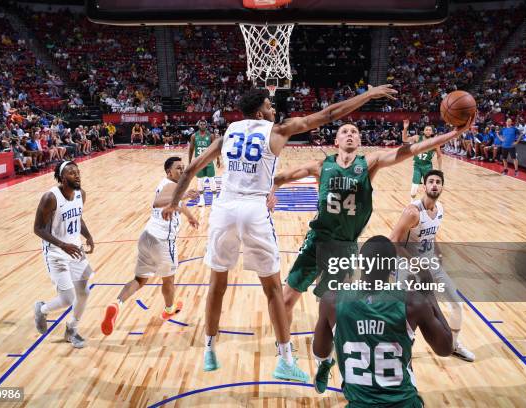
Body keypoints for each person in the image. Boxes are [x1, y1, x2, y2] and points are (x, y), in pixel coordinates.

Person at [162, 85, 399, 382]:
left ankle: (209, 350)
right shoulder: (277, 131)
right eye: (270, 106)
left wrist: (174, 203)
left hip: (224, 208)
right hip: (253, 209)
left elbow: (190, 170)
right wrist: (369, 94)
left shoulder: (225, 135)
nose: (274, 110)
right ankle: (285, 360)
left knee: (217, 283)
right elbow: (329, 113)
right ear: (261, 112)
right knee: (274, 289)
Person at [274, 117, 473, 335]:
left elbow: (409, 150)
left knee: (338, 311)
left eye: (354, 131)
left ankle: (329, 360)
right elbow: (282, 177)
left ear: (359, 140)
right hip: (316, 242)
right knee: (285, 300)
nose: (350, 133)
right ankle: (284, 352)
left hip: (344, 248)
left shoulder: (368, 163)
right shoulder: (321, 166)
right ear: (336, 141)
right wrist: (270, 190)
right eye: (344, 131)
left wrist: (452, 134)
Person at [312, 236, 454, 407]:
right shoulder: (413, 303)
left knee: (332, 337)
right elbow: (446, 348)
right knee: (406, 358)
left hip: (359, 404)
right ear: (393, 267)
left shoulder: (331, 300)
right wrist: (429, 295)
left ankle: (327, 364)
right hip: (403, 404)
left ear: (360, 263)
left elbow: (319, 351)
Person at [101, 157, 200, 335]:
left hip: (147, 237)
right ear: (169, 172)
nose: (182, 171)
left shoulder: (170, 185)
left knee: (140, 280)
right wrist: (185, 194)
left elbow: (176, 201)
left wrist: (189, 216)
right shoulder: (170, 185)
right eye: (178, 168)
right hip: (162, 240)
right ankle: (169, 310)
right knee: (168, 279)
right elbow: (158, 202)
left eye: (183, 168)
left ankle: (116, 303)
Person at [388, 169, 475, 361]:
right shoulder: (412, 211)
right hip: (408, 268)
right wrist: (414, 264)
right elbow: (392, 240)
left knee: (456, 305)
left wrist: (438, 253)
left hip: (431, 265)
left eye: (438, 182)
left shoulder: (440, 209)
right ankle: (396, 354)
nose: (434, 184)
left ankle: (453, 344)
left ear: (442, 186)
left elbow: (430, 236)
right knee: (402, 315)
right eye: (431, 181)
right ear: (424, 186)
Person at [33, 161, 95, 348]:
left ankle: (72, 329)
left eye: (77, 172)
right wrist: (62, 245)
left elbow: (78, 217)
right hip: (55, 252)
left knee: (83, 293)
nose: (77, 175)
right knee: (68, 298)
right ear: (61, 177)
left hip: (75, 249)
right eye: (71, 172)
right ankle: (42, 309)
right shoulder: (50, 198)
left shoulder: (80, 194)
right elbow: (37, 229)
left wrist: (88, 235)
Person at [402, 120, 442, 200]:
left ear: (432, 132)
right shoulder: (417, 138)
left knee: (428, 187)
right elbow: (405, 139)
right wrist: (405, 128)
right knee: (414, 187)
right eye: (426, 129)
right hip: (417, 166)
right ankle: (412, 203)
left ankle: (428, 203)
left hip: (427, 167)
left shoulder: (435, 142)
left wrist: (440, 170)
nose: (427, 131)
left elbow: (439, 156)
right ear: (423, 131)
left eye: (429, 130)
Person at [189, 120, 220, 206]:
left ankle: (215, 198)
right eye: (201, 124)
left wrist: (218, 159)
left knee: (211, 180)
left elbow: (215, 148)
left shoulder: (211, 135)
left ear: (206, 125)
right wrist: (189, 161)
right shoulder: (194, 136)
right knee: (200, 181)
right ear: (198, 125)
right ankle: (202, 199)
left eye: (204, 124)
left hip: (209, 161)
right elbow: (191, 149)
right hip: (199, 162)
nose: (202, 125)